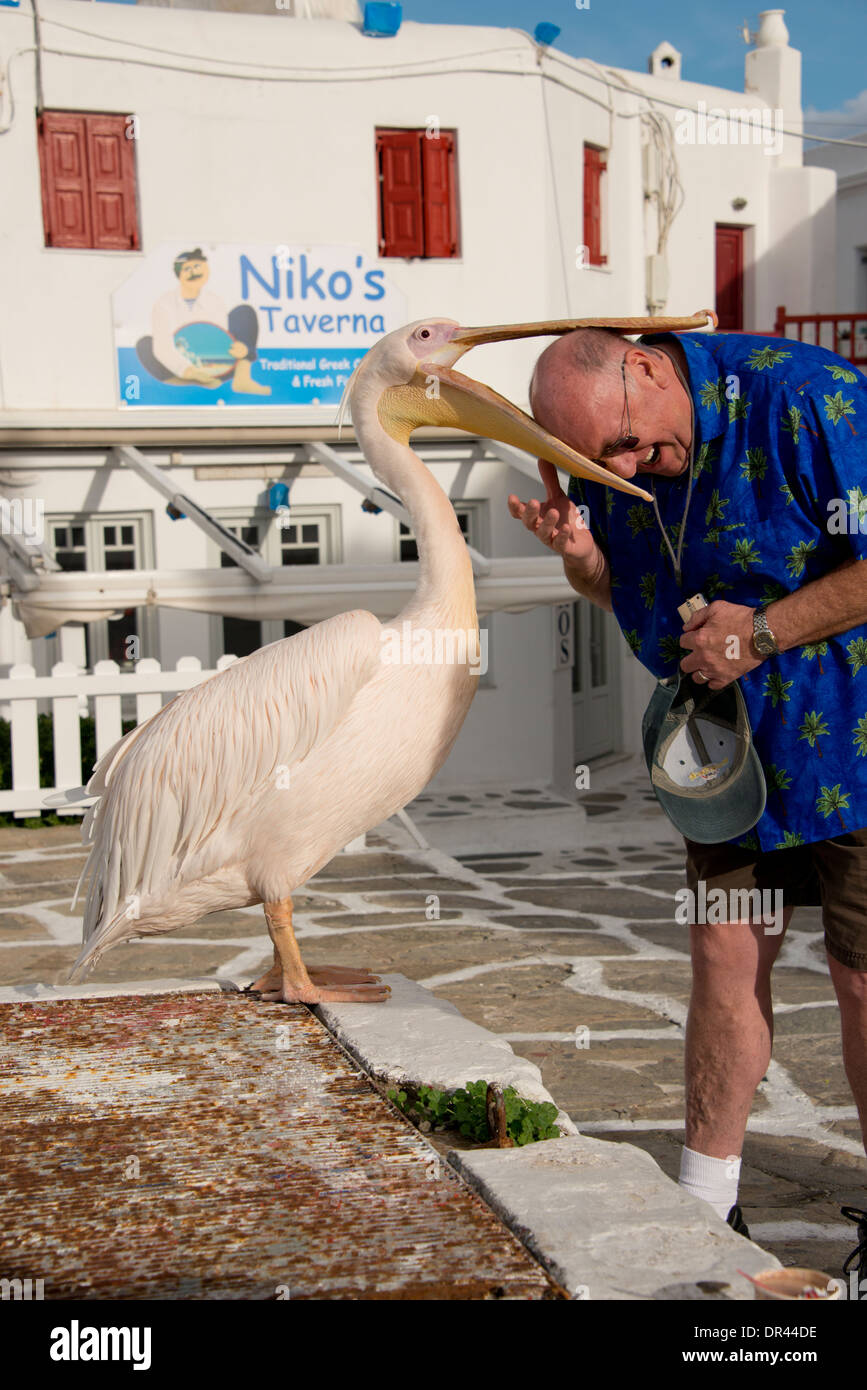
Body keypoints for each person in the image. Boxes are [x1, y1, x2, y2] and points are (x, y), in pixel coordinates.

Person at [510, 324, 867, 1280]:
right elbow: (624, 591)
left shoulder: (805, 394)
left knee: (861, 974)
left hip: (856, 740)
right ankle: (707, 1208)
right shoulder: (607, 452)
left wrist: (763, 634)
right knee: (723, 951)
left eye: (626, 441)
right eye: (601, 459)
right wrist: (583, 558)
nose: (627, 464)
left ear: (646, 365)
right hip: (726, 755)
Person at [136, 248, 270, 395]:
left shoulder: (214, 300)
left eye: (197, 266)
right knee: (145, 345)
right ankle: (189, 382)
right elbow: (163, 347)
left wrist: (240, 350)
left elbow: (220, 338)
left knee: (244, 312)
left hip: (215, 367)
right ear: (179, 274)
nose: (194, 272)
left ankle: (242, 378)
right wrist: (186, 370)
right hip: (180, 365)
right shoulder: (164, 304)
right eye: (187, 269)